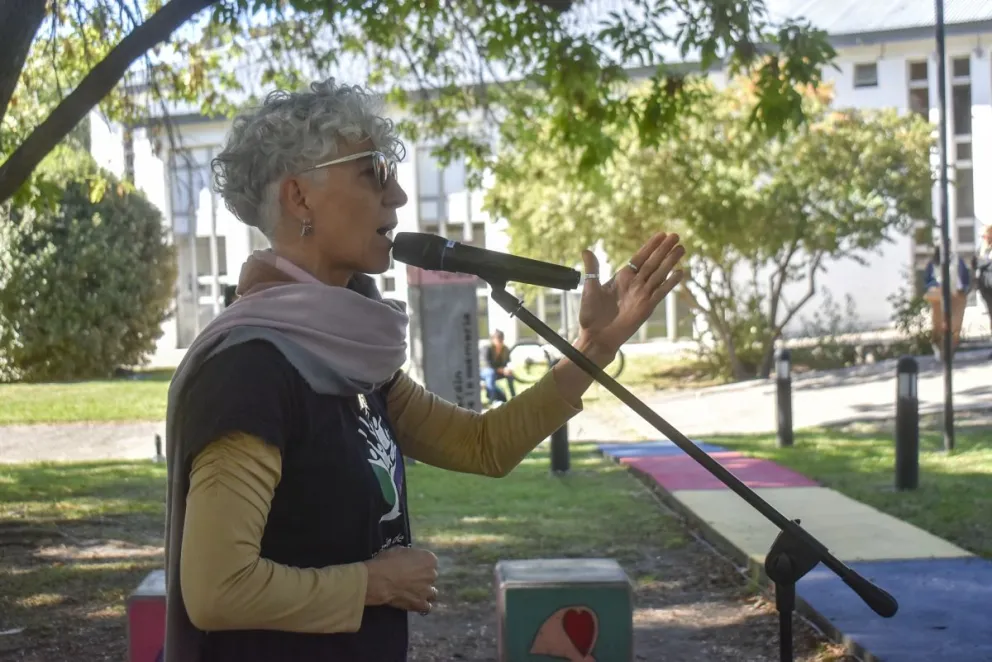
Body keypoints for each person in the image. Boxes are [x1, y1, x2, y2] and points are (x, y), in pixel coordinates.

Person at [163, 79, 685, 662]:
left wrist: (594, 344)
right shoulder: (250, 369)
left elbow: (482, 445)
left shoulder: (349, 354)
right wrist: (377, 583)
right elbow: (218, 590)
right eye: (373, 171)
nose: (399, 196)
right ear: (299, 198)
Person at [923, 244, 971, 360]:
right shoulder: (932, 263)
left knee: (955, 325)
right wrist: (934, 286)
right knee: (939, 325)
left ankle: (950, 350)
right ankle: (939, 348)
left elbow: (964, 278)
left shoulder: (957, 260)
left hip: (956, 295)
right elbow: (928, 281)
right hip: (939, 296)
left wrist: (963, 289)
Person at [481, 329, 515, 405]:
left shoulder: (505, 349)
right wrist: (498, 369)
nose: (500, 340)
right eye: (498, 338)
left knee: (510, 375)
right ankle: (492, 400)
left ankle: (514, 397)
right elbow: (485, 363)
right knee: (490, 373)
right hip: (485, 372)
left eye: (502, 338)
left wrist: (507, 369)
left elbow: (508, 362)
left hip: (499, 371)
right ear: (493, 339)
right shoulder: (487, 348)